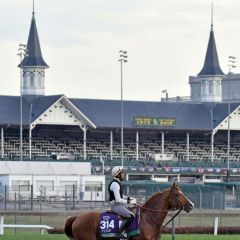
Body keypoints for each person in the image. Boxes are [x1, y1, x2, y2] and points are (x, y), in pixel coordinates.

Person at [108, 166, 137, 238]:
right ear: (117, 175)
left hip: (119, 205)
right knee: (131, 216)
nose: (124, 174)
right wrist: (129, 201)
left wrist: (130, 198)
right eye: (122, 173)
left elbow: (122, 196)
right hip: (116, 206)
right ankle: (119, 234)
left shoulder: (117, 183)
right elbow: (118, 199)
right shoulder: (115, 184)